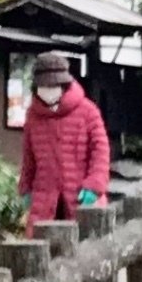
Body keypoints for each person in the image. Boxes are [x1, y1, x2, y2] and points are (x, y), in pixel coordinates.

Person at [19, 55, 112, 225]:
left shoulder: (88, 111)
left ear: (64, 85)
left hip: (81, 198)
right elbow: (28, 157)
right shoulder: (33, 116)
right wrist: (26, 188)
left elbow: (101, 151)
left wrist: (94, 185)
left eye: (53, 86)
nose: (48, 90)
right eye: (44, 86)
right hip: (44, 200)